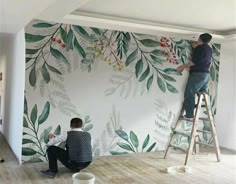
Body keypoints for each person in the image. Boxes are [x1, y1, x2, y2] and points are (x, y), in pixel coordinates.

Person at [177, 33, 213, 120]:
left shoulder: (199, 48)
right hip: (206, 75)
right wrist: (195, 48)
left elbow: (194, 62)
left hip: (197, 74)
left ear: (200, 39)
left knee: (189, 93)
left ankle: (189, 114)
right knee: (202, 93)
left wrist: (182, 67)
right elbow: (202, 58)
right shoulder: (209, 49)